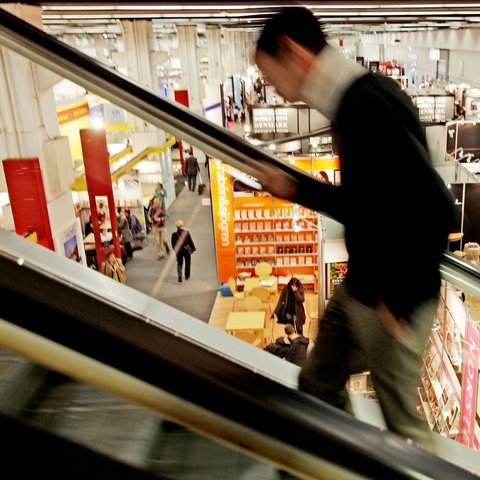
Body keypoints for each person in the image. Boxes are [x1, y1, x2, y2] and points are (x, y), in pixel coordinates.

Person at [253, 6, 457, 448]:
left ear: (291, 51)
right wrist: (294, 188)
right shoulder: (351, 102)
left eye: (272, 77)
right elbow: (367, 203)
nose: (277, 93)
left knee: (406, 430)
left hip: (390, 301)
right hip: (361, 290)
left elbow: (438, 209)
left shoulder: (367, 106)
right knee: (318, 386)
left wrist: (398, 300)